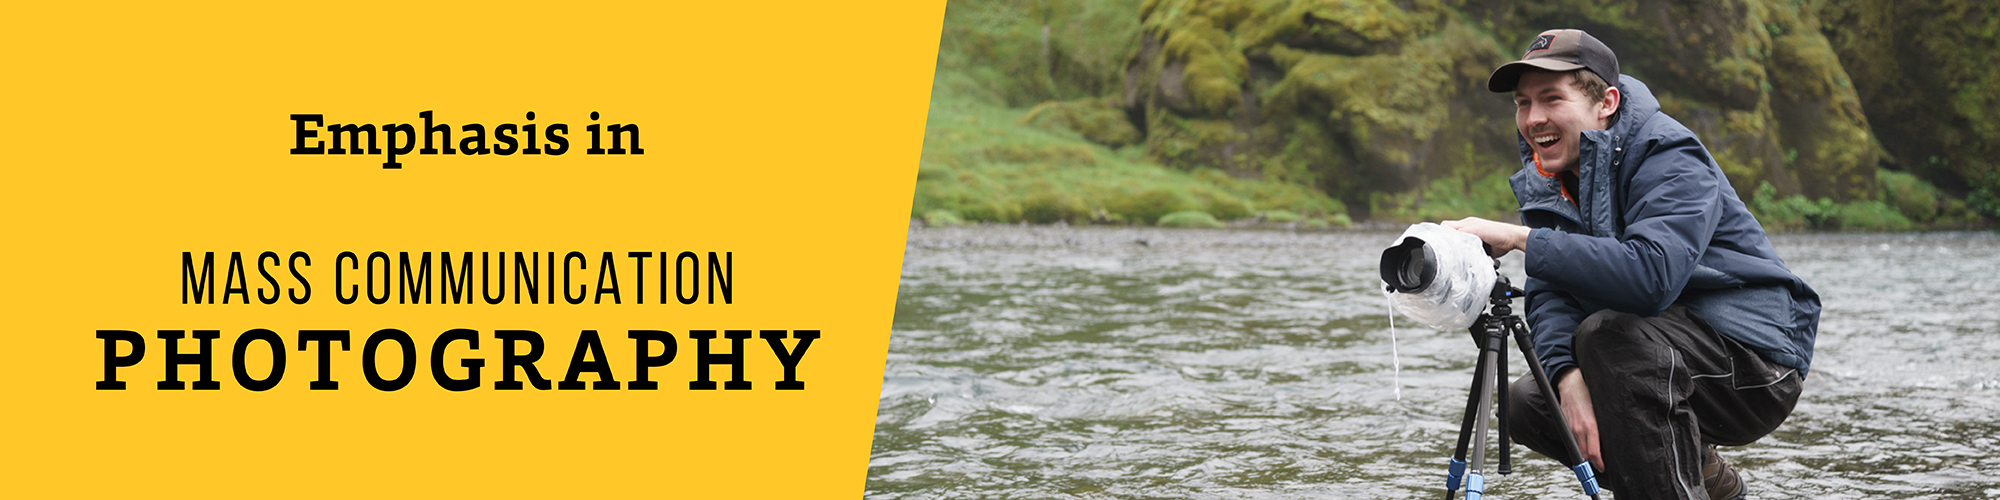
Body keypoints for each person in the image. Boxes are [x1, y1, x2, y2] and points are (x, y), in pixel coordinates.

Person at [1442, 29, 1821, 500]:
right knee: (1530, 404)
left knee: (1607, 335)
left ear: (1606, 103)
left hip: (1756, 361)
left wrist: (1520, 238)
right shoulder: (1550, 173)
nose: (1534, 118)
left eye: (1552, 99)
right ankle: (1703, 477)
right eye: (1523, 103)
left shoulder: (1668, 153)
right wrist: (1567, 377)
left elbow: (1650, 278)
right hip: (1657, 349)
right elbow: (1551, 290)